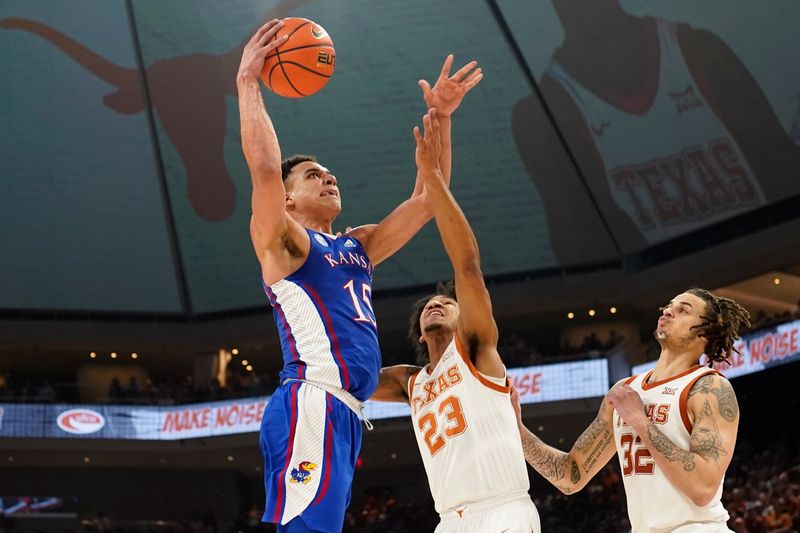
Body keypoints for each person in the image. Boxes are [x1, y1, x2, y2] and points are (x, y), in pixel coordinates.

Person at [237, 19, 482, 532]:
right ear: (287, 199)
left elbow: (426, 200)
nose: (329, 178)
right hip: (312, 401)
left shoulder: (356, 246)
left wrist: (441, 117)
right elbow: (263, 171)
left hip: (344, 412)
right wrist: (248, 84)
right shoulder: (284, 243)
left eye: (330, 174)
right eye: (312, 176)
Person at [512, 0, 800, 263]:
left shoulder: (696, 50)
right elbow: (586, 260)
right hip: (669, 294)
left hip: (765, 262)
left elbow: (784, 170)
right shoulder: (543, 116)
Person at [371, 109, 539, 532]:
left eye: (446, 302)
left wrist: (434, 180)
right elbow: (349, 376)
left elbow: (467, 267)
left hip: (503, 510)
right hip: (449, 521)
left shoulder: (477, 350)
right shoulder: (411, 383)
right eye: (427, 304)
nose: (435, 304)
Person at [511, 288, 751, 532]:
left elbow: (702, 489)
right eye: (670, 305)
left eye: (683, 310)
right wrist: (518, 433)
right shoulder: (624, 390)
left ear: (705, 332)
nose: (668, 310)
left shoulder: (709, 387)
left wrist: (640, 421)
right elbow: (571, 476)